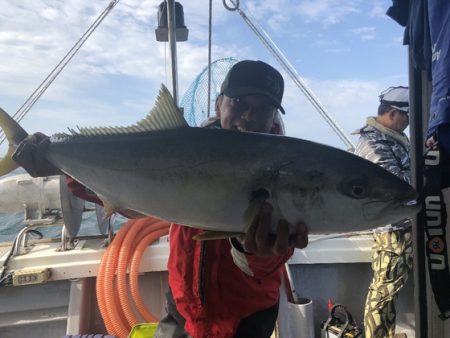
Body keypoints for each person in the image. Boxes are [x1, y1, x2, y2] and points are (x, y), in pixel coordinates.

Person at [12, 60, 309, 338]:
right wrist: (63, 166)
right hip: (183, 306)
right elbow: (135, 198)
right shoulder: (184, 150)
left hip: (245, 316)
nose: (249, 115)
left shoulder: (289, 170)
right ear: (220, 105)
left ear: (275, 116)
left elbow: (266, 263)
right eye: (239, 102)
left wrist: (256, 251)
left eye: (263, 107)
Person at [352, 86, 412, 338]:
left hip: (402, 227)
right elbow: (397, 188)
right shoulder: (374, 143)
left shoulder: (391, 137)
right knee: (383, 293)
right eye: (406, 116)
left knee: (388, 290)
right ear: (393, 113)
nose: (409, 123)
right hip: (394, 230)